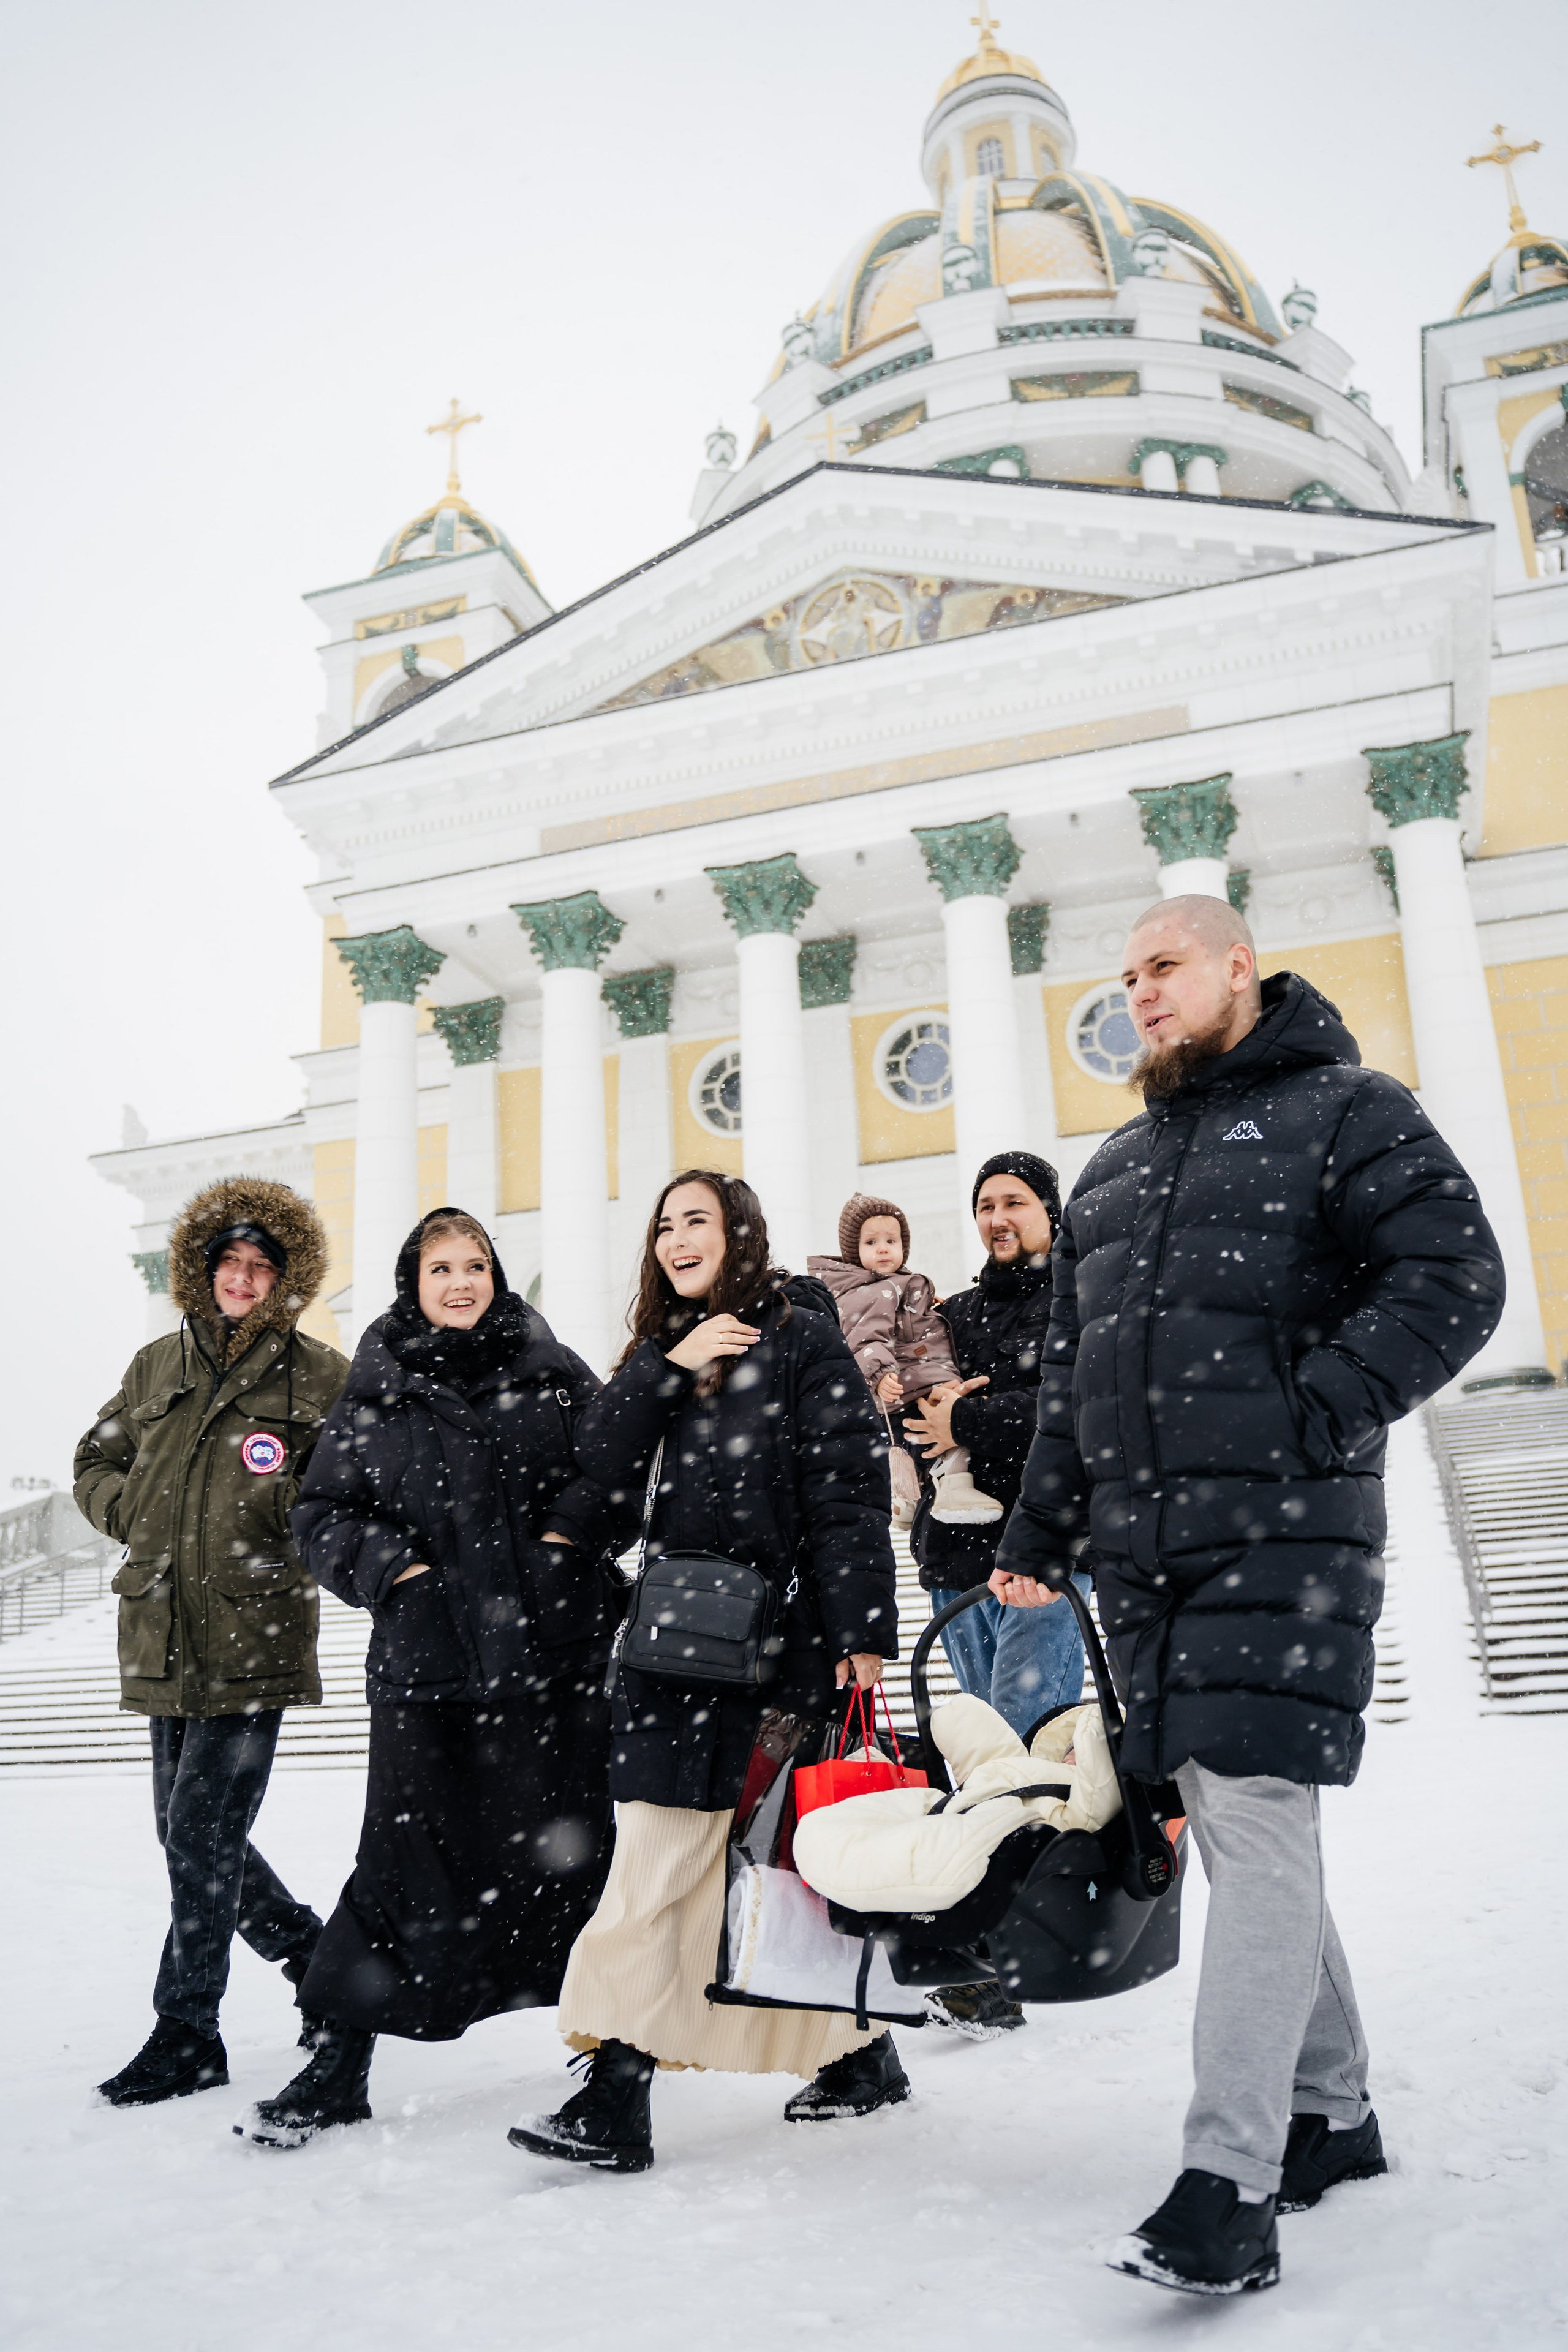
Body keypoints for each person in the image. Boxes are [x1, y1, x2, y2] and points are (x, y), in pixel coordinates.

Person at [993, 895, 1506, 2296]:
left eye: (1162, 965)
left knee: (1255, 1814)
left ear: (1237, 967)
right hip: (1143, 1561)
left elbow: (1454, 1275)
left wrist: (1310, 1413)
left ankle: (1228, 2180)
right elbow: (1069, 1378)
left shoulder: (1346, 1110)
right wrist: (1038, 1522)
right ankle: (1329, 2112)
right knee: (1235, 1826)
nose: (1140, 992)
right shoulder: (1110, 1169)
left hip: (1283, 1538)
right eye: (1125, 977)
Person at [510, 1170, 903, 2174]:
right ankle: (848, 2055)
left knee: (749, 1871)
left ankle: (626, 2091)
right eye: (666, 1224)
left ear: (741, 1234)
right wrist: (665, 1368)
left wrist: (859, 1629)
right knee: (670, 1861)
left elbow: (848, 1488)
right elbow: (599, 1465)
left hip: (775, 1646)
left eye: (700, 1220)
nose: (679, 1237)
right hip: (671, 1644)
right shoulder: (663, 1351)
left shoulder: (802, 1340)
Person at [235, 1207, 622, 2148]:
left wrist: (568, 1541)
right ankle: (339, 2067)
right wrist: (392, 1571)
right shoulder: (376, 1389)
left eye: (475, 1265)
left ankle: (619, 2062)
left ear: (496, 1275)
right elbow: (322, 1512)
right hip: (429, 1673)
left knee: (590, 1868)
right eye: (441, 1267)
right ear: (414, 1281)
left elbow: (616, 1474)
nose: (460, 1282)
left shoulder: (554, 1373)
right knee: (402, 1869)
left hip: (554, 1667)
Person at [73, 1178, 347, 2107]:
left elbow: (343, 1487)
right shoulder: (156, 1365)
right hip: (161, 1628)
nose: (242, 1278)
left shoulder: (318, 1376)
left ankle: (188, 2030)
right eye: (228, 1261)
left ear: (284, 1279)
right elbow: (96, 1457)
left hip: (252, 1631)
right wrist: (134, 1514)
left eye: (261, 1265)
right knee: (188, 1832)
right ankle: (318, 1961)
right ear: (202, 1269)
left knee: (199, 1830)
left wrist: (284, 1518)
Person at [898, 1150, 1084, 2042]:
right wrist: (935, 1412)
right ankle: (983, 1949)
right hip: (957, 1563)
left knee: (1024, 1748)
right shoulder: (957, 1314)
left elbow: (1069, 1414)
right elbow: (916, 1415)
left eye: (1014, 1202)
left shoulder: (1079, 1300)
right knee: (977, 1758)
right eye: (984, 1205)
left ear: (1049, 1210)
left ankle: (1013, 1952)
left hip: (1045, 1557)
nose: (997, 1218)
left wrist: (969, 1415)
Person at [808, 1191, 1002, 1527]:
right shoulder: (874, 1291)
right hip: (911, 1381)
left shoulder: (890, 1286)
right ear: (854, 1251)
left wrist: (925, 1310)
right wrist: (880, 1374)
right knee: (952, 1424)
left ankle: (908, 1503)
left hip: (915, 1378)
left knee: (918, 1440)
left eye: (891, 1240)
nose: (883, 1249)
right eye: (871, 1242)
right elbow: (865, 1339)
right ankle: (954, 1488)